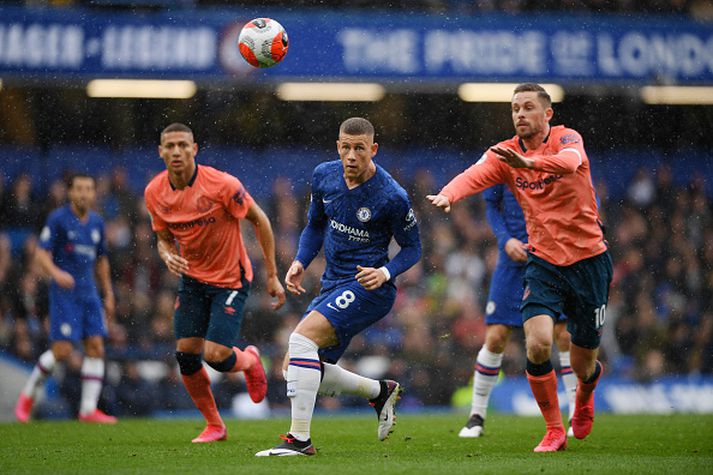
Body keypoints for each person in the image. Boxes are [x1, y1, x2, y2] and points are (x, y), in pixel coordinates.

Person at [428, 83, 612, 453]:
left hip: (589, 260)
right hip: (542, 262)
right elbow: (474, 174)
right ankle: (554, 430)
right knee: (539, 343)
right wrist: (449, 193)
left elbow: (571, 163)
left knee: (581, 360)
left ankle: (587, 389)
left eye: (528, 108)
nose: (520, 115)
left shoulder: (566, 138)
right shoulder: (505, 153)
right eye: (515, 109)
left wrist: (530, 164)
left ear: (547, 114)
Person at [256, 117, 422, 457]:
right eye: (345, 147)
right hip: (333, 283)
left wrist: (386, 273)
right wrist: (301, 260)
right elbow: (315, 226)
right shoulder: (324, 176)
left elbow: (413, 248)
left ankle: (299, 440)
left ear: (373, 149)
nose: (351, 155)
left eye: (359, 148)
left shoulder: (392, 195)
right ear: (337, 146)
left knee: (301, 339)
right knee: (296, 366)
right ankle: (378, 392)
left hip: (369, 286)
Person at [143, 123, 286, 443]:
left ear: (195, 149)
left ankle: (249, 361)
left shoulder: (222, 185)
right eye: (170, 146)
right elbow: (163, 239)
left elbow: (260, 219)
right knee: (186, 355)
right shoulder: (155, 192)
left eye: (183, 145)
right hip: (192, 280)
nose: (177, 151)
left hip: (230, 279)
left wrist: (273, 274)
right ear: (161, 152)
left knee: (217, 356)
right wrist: (166, 255)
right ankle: (215, 426)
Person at [458, 184, 577, 438]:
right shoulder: (503, 158)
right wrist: (506, 239)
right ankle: (476, 415)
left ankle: (575, 413)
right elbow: (491, 204)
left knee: (564, 334)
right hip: (512, 261)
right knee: (496, 336)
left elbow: (585, 196)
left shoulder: (559, 152)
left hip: (552, 259)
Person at [15, 174, 117, 424]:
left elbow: (101, 260)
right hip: (65, 293)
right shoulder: (58, 219)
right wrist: (56, 273)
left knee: (96, 346)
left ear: (94, 193)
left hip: (89, 293)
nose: (84, 193)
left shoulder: (96, 223)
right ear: (70, 193)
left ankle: (87, 410)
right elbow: (40, 254)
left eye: (89, 189)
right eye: (79, 189)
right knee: (62, 350)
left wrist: (109, 293)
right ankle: (27, 396)